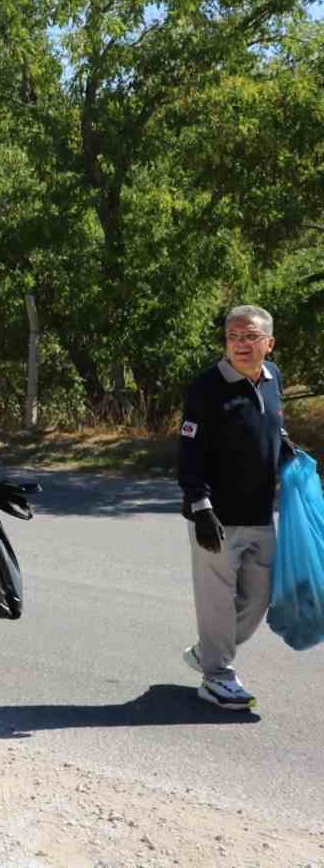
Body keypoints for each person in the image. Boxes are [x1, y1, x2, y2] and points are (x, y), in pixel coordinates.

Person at [177, 304, 295, 711]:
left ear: (269, 343)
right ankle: (217, 675)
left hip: (261, 514)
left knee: (258, 599)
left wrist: (288, 452)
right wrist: (200, 506)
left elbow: (272, 428)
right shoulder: (207, 387)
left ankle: (208, 652)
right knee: (217, 600)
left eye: (250, 337)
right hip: (216, 517)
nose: (240, 345)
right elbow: (188, 451)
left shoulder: (273, 378)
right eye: (233, 337)